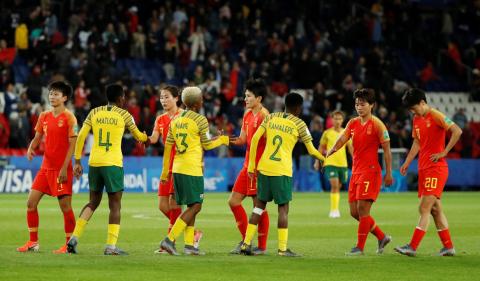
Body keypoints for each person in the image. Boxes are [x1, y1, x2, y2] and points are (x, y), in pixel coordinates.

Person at [67, 84, 149, 255]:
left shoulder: (94, 112)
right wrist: (146, 137)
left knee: (93, 202)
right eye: (124, 97)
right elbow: (139, 136)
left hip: (94, 162)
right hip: (112, 163)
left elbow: (81, 136)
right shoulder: (125, 114)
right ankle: (111, 247)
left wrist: (77, 161)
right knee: (115, 206)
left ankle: (74, 238)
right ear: (120, 98)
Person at [240, 92, 325, 257]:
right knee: (283, 209)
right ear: (299, 108)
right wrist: (323, 159)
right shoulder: (300, 124)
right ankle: (282, 249)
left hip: (264, 168)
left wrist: (251, 165)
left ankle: (246, 243)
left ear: (284, 104)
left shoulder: (271, 117)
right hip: (282, 171)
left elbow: (256, 139)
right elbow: (311, 150)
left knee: (258, 207)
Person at [159, 86, 230, 255]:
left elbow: (168, 148)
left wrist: (164, 173)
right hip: (192, 169)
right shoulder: (201, 120)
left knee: (190, 205)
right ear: (198, 103)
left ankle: (189, 245)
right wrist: (222, 140)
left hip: (177, 168)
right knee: (196, 206)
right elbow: (207, 145)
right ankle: (169, 240)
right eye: (201, 99)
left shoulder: (175, 120)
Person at [395, 88, 462, 257]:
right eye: (410, 109)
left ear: (423, 103)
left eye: (414, 108)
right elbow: (417, 142)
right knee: (435, 210)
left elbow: (457, 131)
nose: (412, 111)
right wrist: (407, 162)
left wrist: (445, 152)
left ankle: (413, 246)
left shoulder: (436, 115)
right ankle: (448, 247)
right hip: (424, 169)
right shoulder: (416, 119)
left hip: (436, 169)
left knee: (424, 207)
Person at [326, 88, 393, 256]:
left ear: (372, 105)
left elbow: (387, 150)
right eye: (357, 104)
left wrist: (389, 173)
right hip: (356, 171)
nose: (359, 107)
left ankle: (359, 247)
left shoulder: (377, 124)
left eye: (362, 104)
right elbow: (343, 138)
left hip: (370, 171)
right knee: (354, 212)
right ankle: (381, 236)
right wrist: (333, 149)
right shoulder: (353, 123)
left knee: (363, 209)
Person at [17, 81, 77, 254]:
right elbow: (37, 137)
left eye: (56, 94)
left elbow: (73, 145)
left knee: (65, 207)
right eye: (51, 93)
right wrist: (31, 148)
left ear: (64, 97)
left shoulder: (69, 117)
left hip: (61, 169)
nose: (52, 96)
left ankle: (69, 244)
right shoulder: (43, 115)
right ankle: (33, 242)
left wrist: (65, 168)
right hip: (45, 168)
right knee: (30, 203)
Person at [228, 79, 270, 255]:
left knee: (258, 206)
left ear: (259, 98)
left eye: (249, 96)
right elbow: (243, 140)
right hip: (247, 166)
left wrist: (261, 167)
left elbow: (268, 144)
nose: (245, 98)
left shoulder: (264, 116)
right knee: (233, 202)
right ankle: (247, 240)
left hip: (258, 168)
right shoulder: (247, 114)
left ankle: (261, 246)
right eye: (245, 95)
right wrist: (226, 140)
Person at [148, 85, 186, 253]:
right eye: (161, 97)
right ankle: (188, 228)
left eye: (167, 97)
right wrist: (140, 136)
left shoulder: (184, 116)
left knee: (173, 204)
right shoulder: (160, 119)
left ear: (176, 98)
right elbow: (154, 139)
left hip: (181, 165)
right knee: (163, 205)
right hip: (166, 166)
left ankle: (169, 243)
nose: (163, 100)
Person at [314, 110, 353, 218]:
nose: (337, 121)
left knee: (338, 187)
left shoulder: (346, 132)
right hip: (330, 162)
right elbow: (321, 148)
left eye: (339, 119)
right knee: (334, 185)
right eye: (335, 118)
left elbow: (351, 149)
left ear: (343, 120)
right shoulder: (327, 133)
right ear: (332, 120)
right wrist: (317, 161)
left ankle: (335, 208)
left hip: (343, 164)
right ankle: (334, 210)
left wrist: (356, 162)